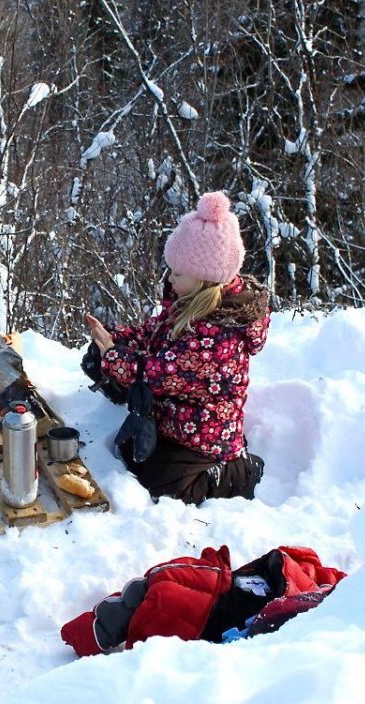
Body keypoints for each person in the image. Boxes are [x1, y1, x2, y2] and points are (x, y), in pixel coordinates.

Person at [83, 191, 270, 504]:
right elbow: (154, 334)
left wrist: (115, 356)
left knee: (161, 485)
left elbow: (162, 374)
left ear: (204, 280)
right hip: (177, 417)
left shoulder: (218, 336)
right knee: (132, 455)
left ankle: (236, 473)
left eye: (177, 273)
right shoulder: (188, 304)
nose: (169, 279)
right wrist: (120, 337)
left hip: (206, 436)